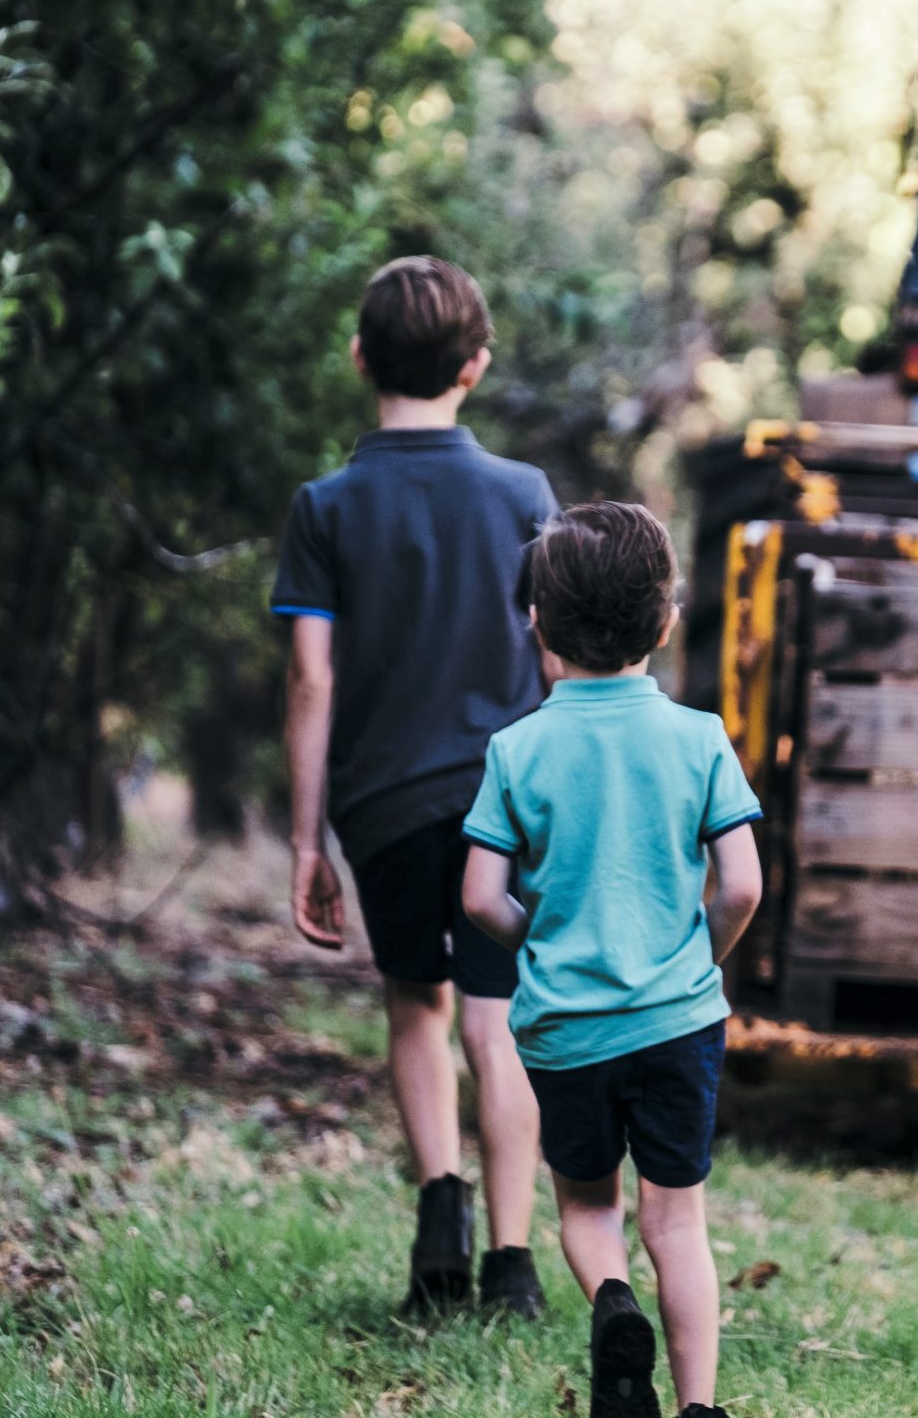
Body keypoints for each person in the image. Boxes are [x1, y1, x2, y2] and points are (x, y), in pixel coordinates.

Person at [274, 256, 553, 1316]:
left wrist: (308, 842)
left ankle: (441, 1212)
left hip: (382, 806)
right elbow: (558, 656)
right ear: (474, 366)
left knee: (414, 1007)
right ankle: (514, 1262)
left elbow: (311, 677)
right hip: (508, 809)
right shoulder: (524, 495)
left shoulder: (326, 507)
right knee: (496, 1020)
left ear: (359, 358)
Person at [460, 502, 764, 1418]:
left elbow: (479, 896)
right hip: (679, 1019)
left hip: (566, 1030)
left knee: (589, 1208)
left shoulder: (516, 750)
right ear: (665, 623)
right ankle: (700, 1406)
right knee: (677, 1222)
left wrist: (541, 949)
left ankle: (612, 1302)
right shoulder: (699, 737)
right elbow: (742, 887)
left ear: (539, 627)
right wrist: (693, 963)